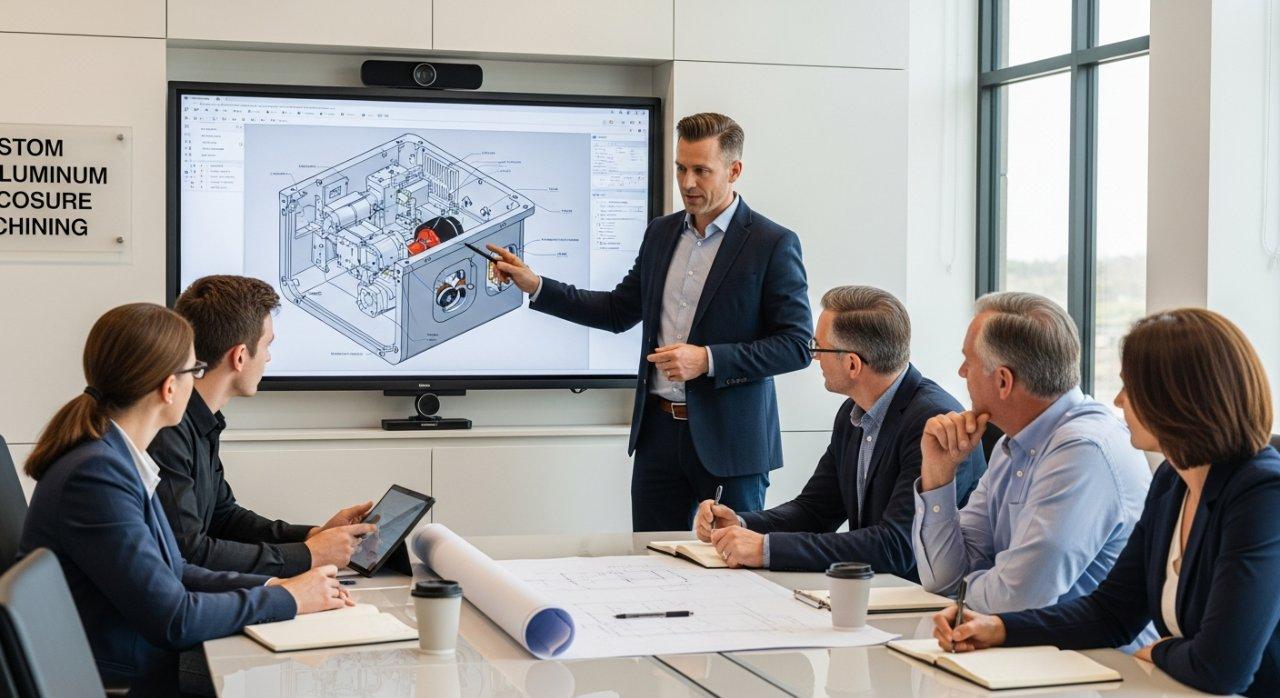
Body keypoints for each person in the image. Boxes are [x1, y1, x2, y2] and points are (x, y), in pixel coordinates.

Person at [488, 113, 811, 531]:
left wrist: (707, 359)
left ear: (734, 170)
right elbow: (617, 311)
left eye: (701, 170)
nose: (688, 183)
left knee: (727, 573)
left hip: (729, 447)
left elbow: (797, 345)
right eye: (681, 168)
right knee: (648, 568)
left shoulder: (772, 243)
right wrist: (535, 285)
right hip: (657, 438)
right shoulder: (660, 233)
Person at [934, 308, 1280, 697]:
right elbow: (1111, 613)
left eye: (1130, 388)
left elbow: (1222, 669)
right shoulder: (1172, 481)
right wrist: (999, 628)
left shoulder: (1263, 494)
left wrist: (1164, 650)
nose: (1117, 401)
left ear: (1175, 399)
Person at [19, 303, 350, 692]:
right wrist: (288, 600)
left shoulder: (117, 458)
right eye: (195, 371)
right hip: (126, 673)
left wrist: (274, 587)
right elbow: (173, 618)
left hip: (137, 656)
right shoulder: (96, 475)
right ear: (169, 386)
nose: (199, 381)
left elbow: (175, 569)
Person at [692, 286, 984, 575]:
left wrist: (765, 549)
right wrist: (741, 524)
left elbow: (896, 547)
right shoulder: (853, 413)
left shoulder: (932, 422)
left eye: (818, 348)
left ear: (853, 364)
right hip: (872, 591)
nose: (814, 358)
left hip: (925, 599)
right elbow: (815, 510)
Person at [911, 291, 1151, 615]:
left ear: (1003, 381)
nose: (961, 372)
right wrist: (939, 474)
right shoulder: (1011, 445)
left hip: (1092, 662)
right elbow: (942, 577)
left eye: (969, 361)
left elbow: (1017, 599)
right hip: (1027, 654)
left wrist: (962, 592)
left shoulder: (1083, 452)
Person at [148, 276, 376, 577]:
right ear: (240, 356)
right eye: (267, 345)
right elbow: (189, 551)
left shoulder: (201, 421)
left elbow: (223, 517)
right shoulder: (169, 430)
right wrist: (309, 555)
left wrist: (313, 536)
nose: (268, 357)